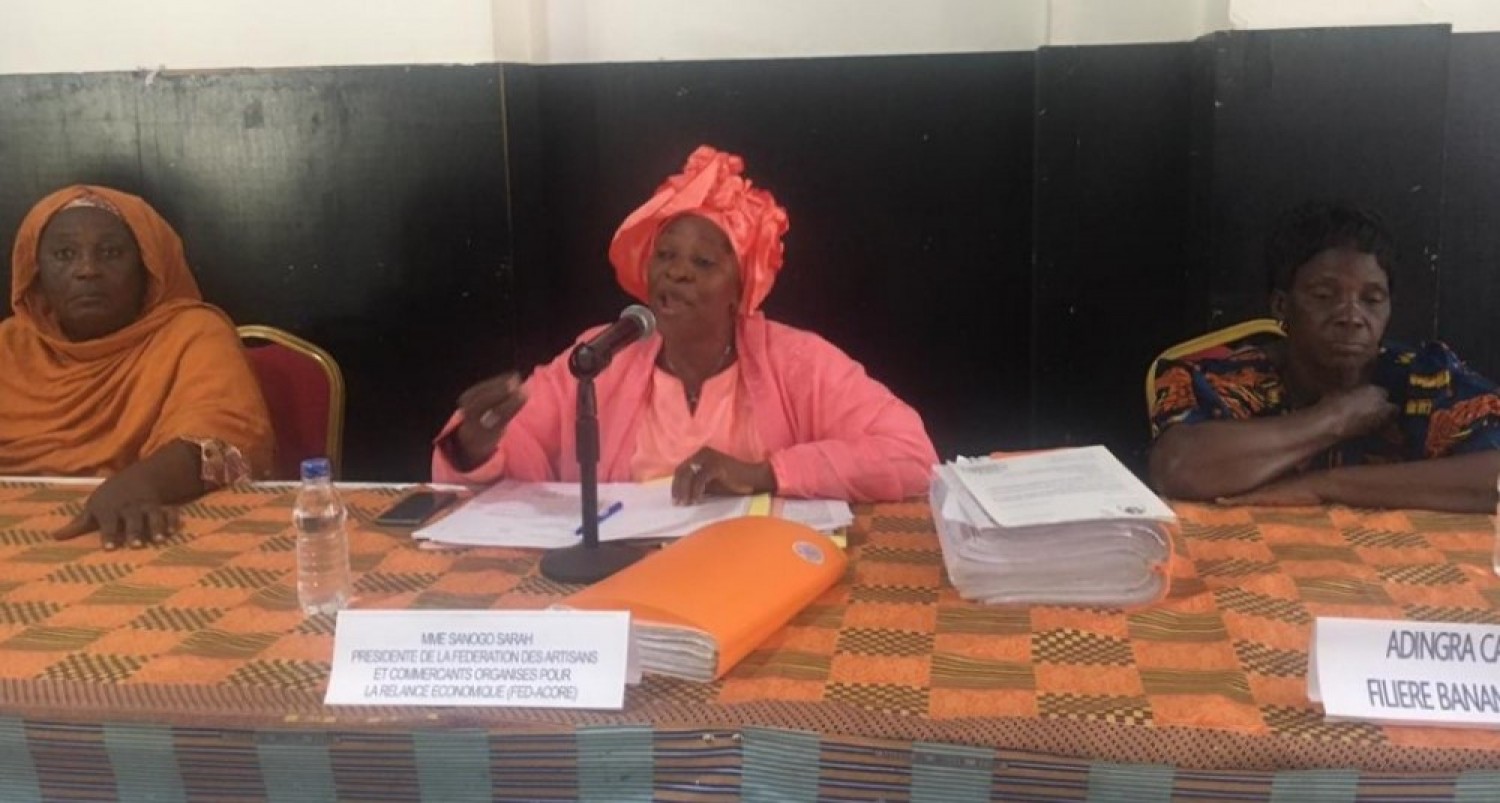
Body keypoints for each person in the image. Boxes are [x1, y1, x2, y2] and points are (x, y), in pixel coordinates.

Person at [433, 146, 937, 502]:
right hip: (629, 579)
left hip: (755, 576)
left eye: (703, 263)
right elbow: (521, 450)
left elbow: (910, 455)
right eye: (665, 256)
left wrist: (764, 473)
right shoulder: (602, 354)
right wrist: (477, 445)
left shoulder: (797, 362)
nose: (676, 273)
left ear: (740, 288)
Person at [1149, 201, 1500, 513]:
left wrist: (1325, 485)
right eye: (1323, 296)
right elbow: (1177, 469)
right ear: (1281, 305)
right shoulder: (1222, 380)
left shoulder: (1426, 378)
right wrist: (1333, 418)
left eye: (1372, 299)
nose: (1352, 316)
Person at [0, 185, 274, 549]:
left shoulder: (192, 332)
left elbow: (227, 439)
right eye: (65, 254)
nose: (87, 270)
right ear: (35, 272)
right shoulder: (10, 345)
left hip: (155, 532)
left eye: (111, 253)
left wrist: (141, 484)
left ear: (148, 267)